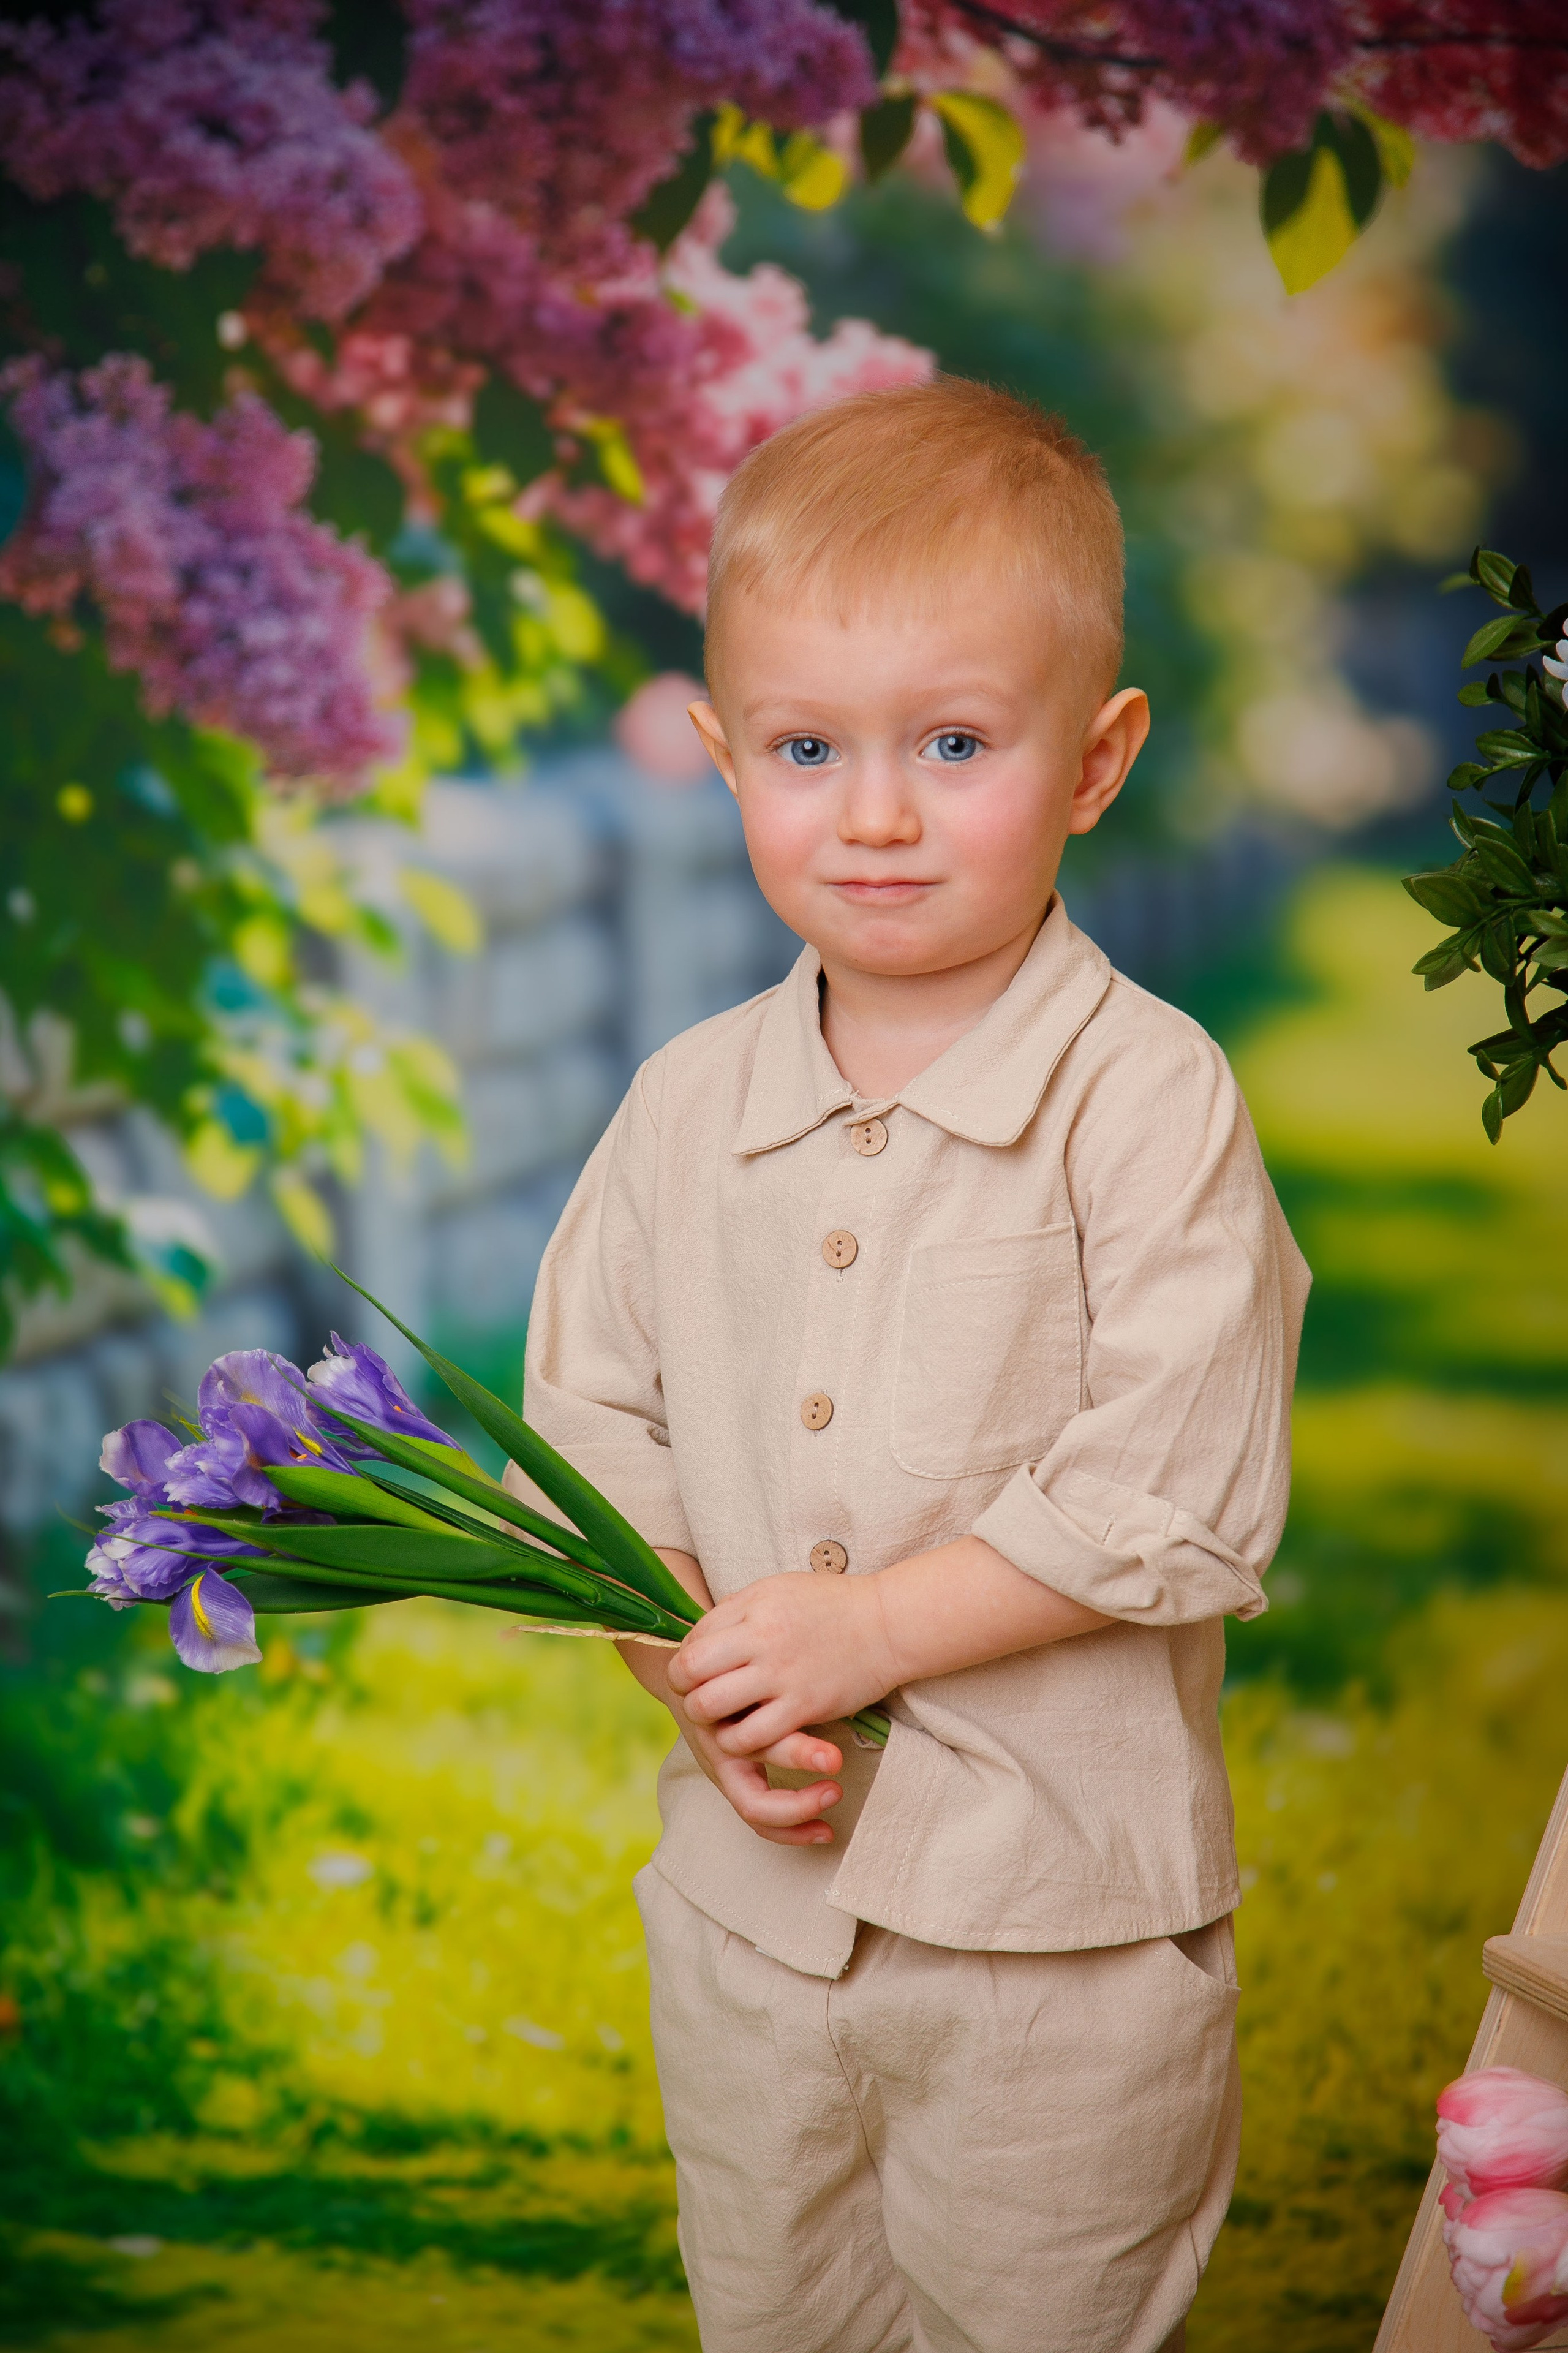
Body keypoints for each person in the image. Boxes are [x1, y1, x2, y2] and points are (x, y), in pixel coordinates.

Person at [519, 377, 1310, 2353]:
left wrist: (865, 1635)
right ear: (723, 758)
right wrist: (696, 1667)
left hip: (1060, 1935)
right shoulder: (686, 1101)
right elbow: (588, 1426)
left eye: (955, 743)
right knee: (779, 2308)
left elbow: (1175, 1485)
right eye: (806, 747)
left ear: (1096, 758)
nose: (874, 811)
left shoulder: (1146, 1098)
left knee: (1038, 2312)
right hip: (752, 1923)